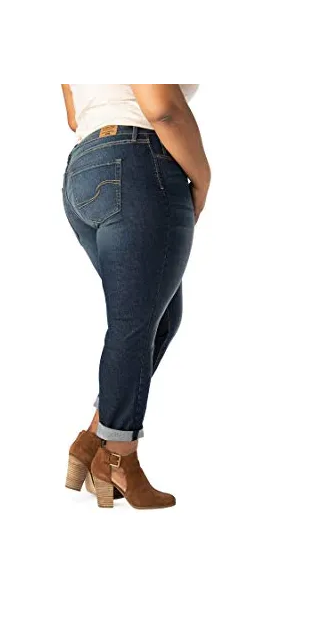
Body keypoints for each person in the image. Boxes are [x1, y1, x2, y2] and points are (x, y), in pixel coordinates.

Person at [60, 81, 211, 509]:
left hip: (84, 170)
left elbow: (74, 115)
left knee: (159, 318)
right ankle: (119, 458)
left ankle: (94, 440)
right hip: (138, 164)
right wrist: (202, 180)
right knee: (134, 323)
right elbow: (162, 108)